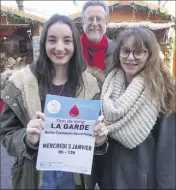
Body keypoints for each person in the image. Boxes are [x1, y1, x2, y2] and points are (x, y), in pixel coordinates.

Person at [0, 14, 108, 190]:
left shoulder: (91, 86)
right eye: (52, 40)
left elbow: (97, 136)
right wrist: (27, 139)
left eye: (67, 41)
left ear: (75, 45)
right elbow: (6, 134)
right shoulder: (20, 83)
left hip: (76, 179)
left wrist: (100, 140)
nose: (59, 47)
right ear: (43, 44)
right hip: (36, 177)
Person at [97, 27, 176, 189]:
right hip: (109, 179)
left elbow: (168, 154)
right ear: (118, 53)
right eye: (125, 51)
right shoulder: (107, 89)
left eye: (139, 52)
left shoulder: (162, 92)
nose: (130, 57)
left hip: (142, 182)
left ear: (150, 55)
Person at [81, 1, 114, 86]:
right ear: (83, 23)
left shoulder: (117, 51)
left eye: (99, 19)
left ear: (105, 23)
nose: (94, 23)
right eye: (90, 19)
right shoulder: (72, 49)